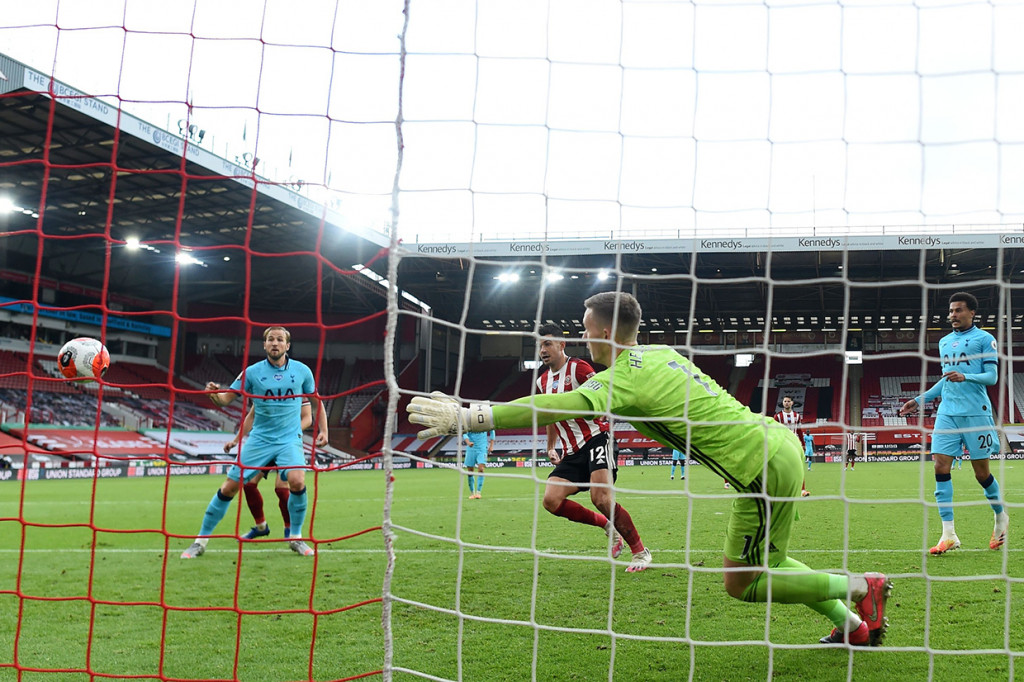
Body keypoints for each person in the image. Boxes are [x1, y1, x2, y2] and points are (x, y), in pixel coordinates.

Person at [409, 292, 892, 646]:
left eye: (584, 325)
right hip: (777, 447)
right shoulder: (661, 353)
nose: (582, 334)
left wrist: (472, 415)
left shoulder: (620, 379)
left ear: (600, 331)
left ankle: (861, 587)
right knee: (774, 560)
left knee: (741, 584)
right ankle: (855, 627)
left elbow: (558, 405)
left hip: (758, 465)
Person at [181, 326, 329, 559]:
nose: (275, 343)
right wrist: (213, 394)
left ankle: (296, 538)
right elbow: (225, 399)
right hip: (260, 440)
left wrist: (324, 430)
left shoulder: (302, 371)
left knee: (297, 482)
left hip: (290, 439)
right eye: (270, 339)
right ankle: (200, 541)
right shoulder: (251, 373)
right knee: (230, 487)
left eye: (280, 340)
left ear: (287, 346)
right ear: (264, 344)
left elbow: (316, 401)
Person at [899, 291, 1009, 555]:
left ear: (972, 312)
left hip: (976, 412)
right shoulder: (945, 342)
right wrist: (919, 399)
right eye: (950, 311)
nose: (953, 315)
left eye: (958, 310)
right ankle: (948, 534)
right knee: (939, 465)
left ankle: (1000, 516)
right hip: (947, 412)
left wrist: (966, 377)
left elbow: (992, 377)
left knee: (981, 473)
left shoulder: (985, 339)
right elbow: (946, 378)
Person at [535, 324, 636, 565]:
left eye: (548, 343)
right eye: (539, 345)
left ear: (562, 344)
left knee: (600, 498)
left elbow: (601, 398)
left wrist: (601, 414)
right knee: (551, 500)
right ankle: (607, 526)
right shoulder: (542, 381)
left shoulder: (579, 368)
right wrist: (551, 446)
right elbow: (550, 416)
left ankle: (640, 551)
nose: (543, 350)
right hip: (572, 452)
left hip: (596, 440)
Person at [225, 399, 328, 539]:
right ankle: (261, 527)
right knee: (249, 484)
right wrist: (236, 440)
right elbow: (252, 416)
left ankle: (289, 530)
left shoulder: (295, 383)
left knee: (281, 488)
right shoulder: (264, 386)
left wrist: (289, 432)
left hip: (286, 444)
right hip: (265, 443)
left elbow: (307, 417)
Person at [774, 396, 810, 496]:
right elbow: (774, 430)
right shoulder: (778, 416)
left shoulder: (797, 416)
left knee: (799, 466)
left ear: (792, 403)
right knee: (782, 467)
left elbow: (799, 430)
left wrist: (802, 443)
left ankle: (802, 490)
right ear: (782, 403)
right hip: (782, 444)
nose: (786, 403)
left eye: (788, 401)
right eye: (785, 401)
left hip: (794, 443)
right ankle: (782, 489)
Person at [463, 427, 494, 499]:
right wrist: (468, 442)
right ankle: (472, 492)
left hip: (482, 449)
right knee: (470, 471)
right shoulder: (469, 421)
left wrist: (491, 445)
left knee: (481, 469)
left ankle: (478, 492)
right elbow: (464, 433)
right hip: (471, 449)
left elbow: (492, 430)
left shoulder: (484, 421)